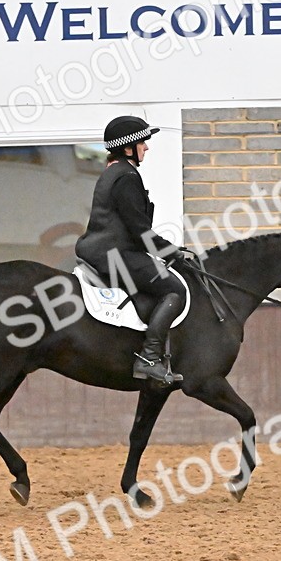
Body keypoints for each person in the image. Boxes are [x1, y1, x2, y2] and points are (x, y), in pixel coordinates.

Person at [75, 116, 188, 384]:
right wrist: (171, 252)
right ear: (128, 149)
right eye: (142, 143)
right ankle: (149, 358)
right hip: (115, 255)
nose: (146, 147)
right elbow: (139, 230)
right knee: (175, 290)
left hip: (103, 251)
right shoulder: (126, 176)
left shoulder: (113, 172)